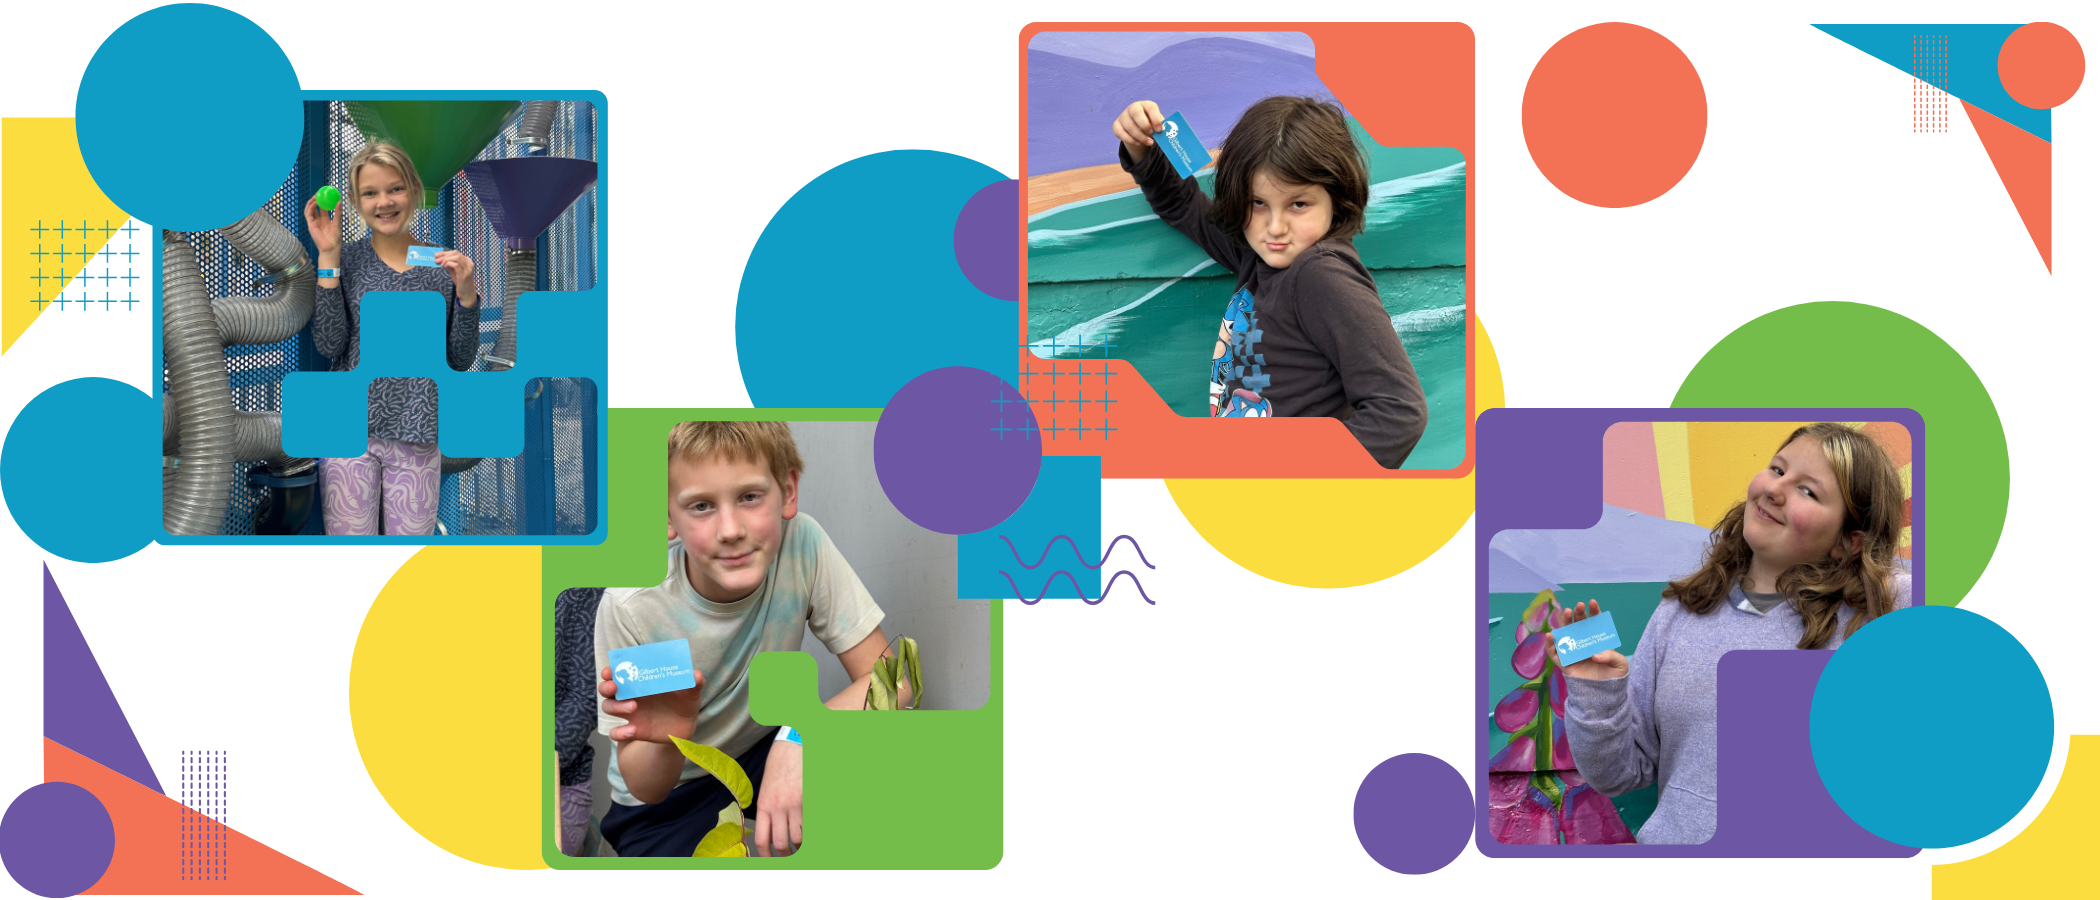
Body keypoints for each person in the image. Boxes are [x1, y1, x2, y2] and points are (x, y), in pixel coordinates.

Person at [1550, 423, 1912, 844]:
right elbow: (1618, 775)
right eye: (1778, 470)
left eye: (1808, 491)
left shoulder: (1877, 614)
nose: (1776, 490)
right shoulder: (1679, 611)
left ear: (1849, 543)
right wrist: (1598, 694)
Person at [593, 422, 909, 857]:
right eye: (701, 506)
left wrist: (800, 737)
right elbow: (646, 788)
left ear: (788, 491)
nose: (731, 530)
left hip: (763, 747)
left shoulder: (803, 544)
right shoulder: (636, 604)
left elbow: (896, 682)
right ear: (667, 517)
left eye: (749, 497)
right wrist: (668, 738)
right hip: (670, 797)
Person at [1111, 96, 1427, 467]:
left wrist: (1296, 484)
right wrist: (1141, 147)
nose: (1275, 227)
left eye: (1298, 205)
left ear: (1337, 201)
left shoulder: (1322, 275)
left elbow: (1400, 411)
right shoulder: (1259, 254)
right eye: (1258, 202)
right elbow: (1183, 206)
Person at [304, 141, 480, 535]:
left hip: (419, 434)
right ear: (355, 200)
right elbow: (330, 345)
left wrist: (467, 295)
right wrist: (328, 258)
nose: (384, 201)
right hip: (348, 430)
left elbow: (460, 358)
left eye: (395, 188)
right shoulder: (345, 258)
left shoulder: (444, 265)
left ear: (414, 189)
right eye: (370, 192)